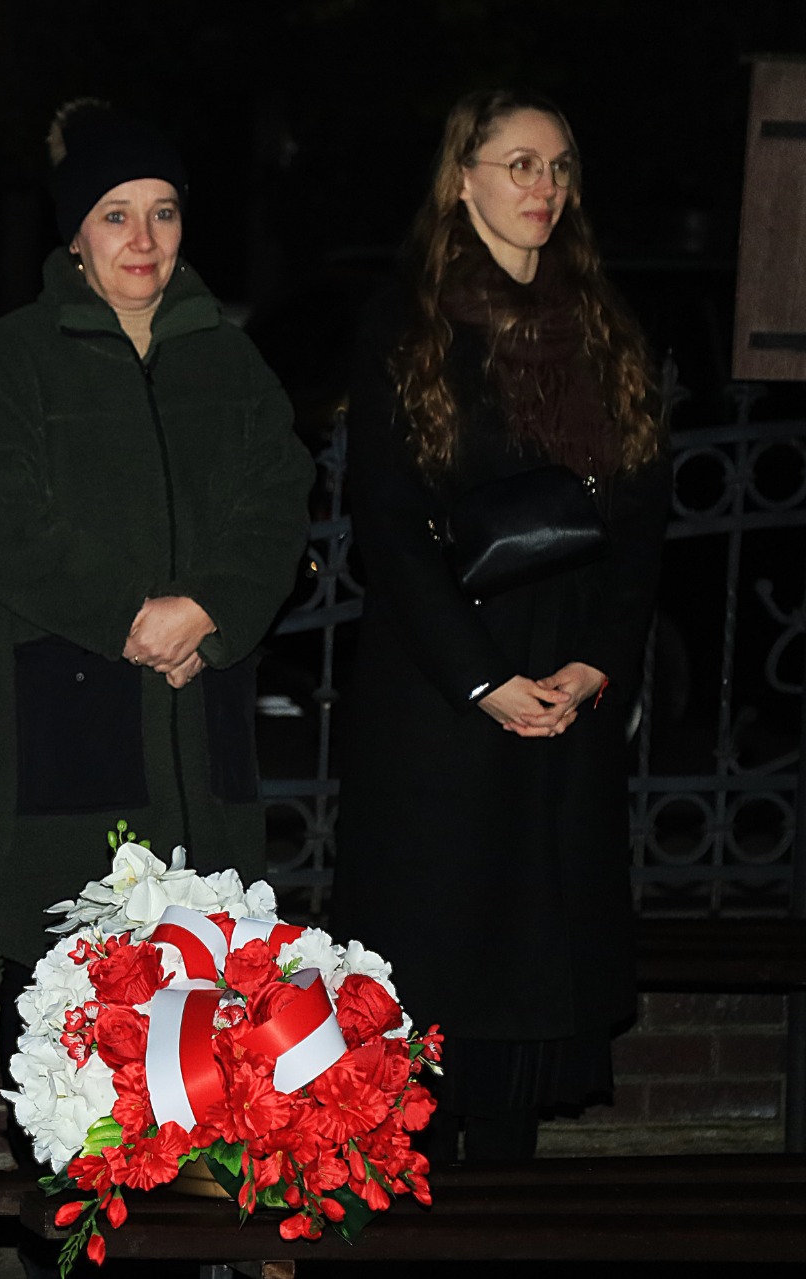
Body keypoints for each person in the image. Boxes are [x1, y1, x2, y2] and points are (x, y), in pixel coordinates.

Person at [0, 101, 313, 1166]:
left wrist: (210, 609)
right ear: (75, 235)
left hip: (199, 737)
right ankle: (64, 1215)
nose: (143, 240)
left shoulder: (230, 361)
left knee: (205, 1038)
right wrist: (130, 616)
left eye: (163, 213)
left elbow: (278, 504)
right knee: (71, 1040)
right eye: (115, 215)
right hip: (69, 743)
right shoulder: (17, 360)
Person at [332, 88, 671, 1160]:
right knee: (438, 968)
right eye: (520, 164)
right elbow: (389, 524)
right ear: (463, 179)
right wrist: (482, 680)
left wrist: (597, 662)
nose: (544, 186)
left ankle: (509, 1205)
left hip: (564, 684)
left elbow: (642, 521)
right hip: (445, 692)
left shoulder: (603, 325)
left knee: (539, 958)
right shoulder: (409, 325)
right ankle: (419, 1198)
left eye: (559, 166)